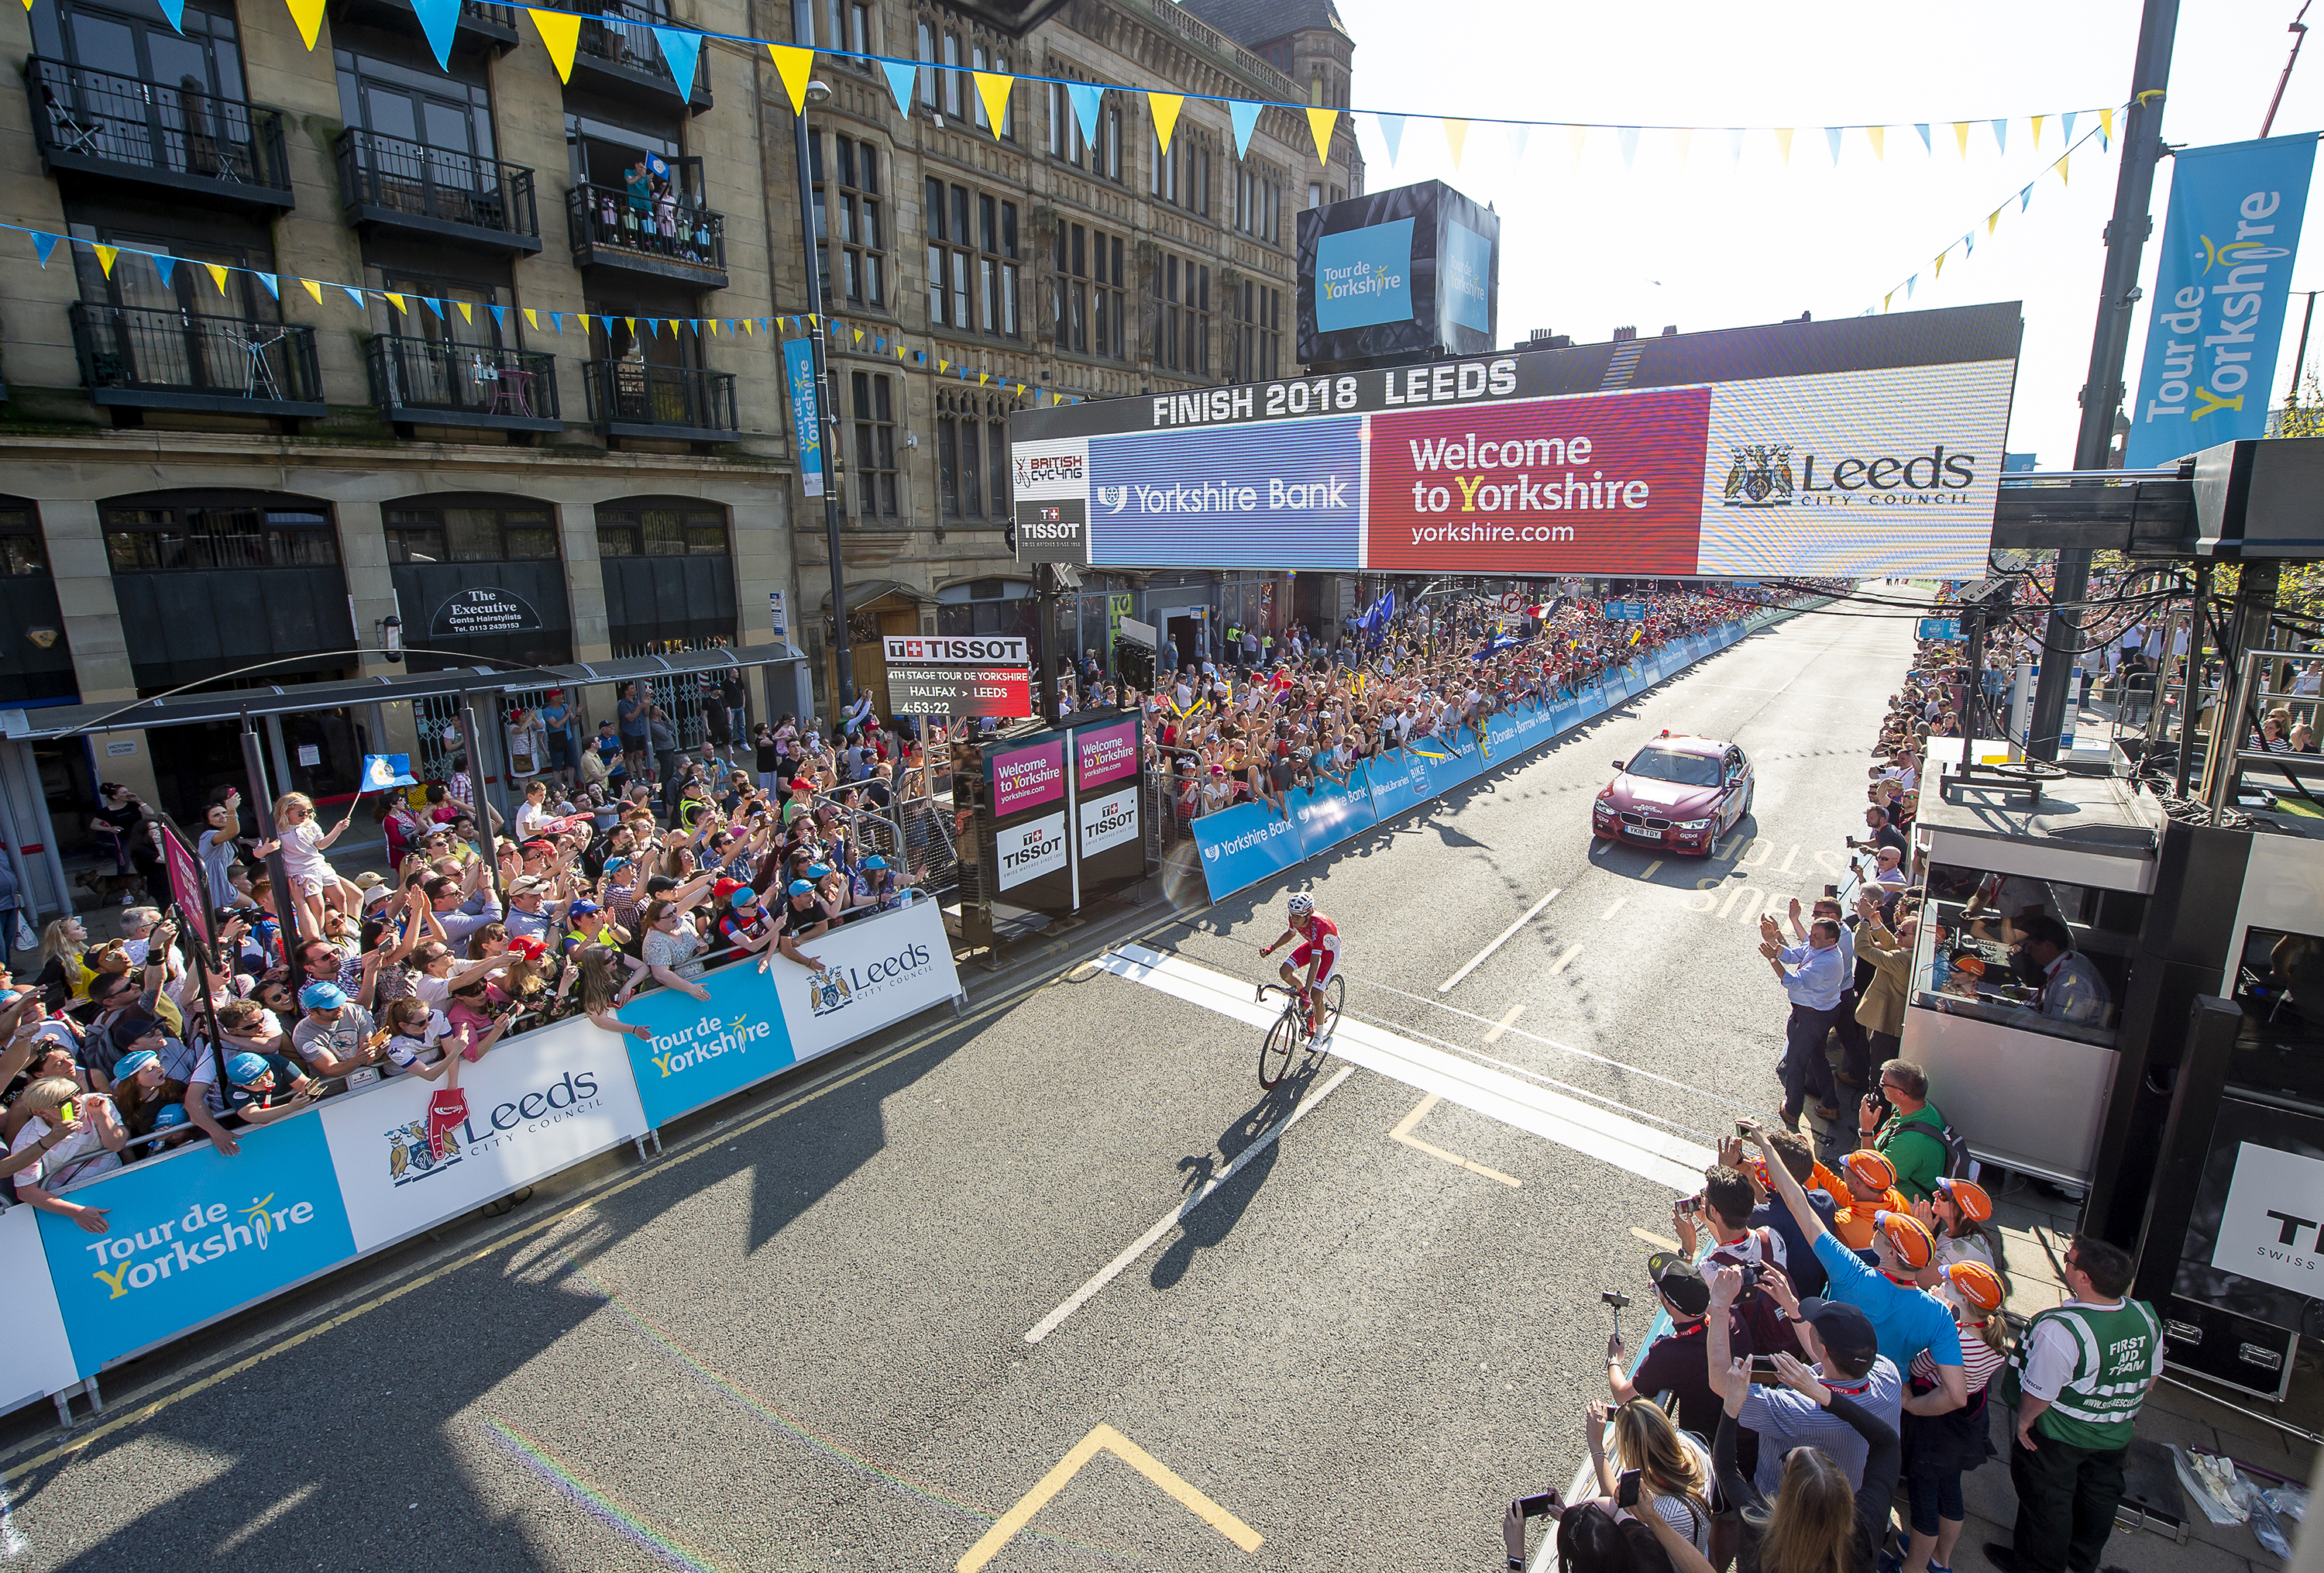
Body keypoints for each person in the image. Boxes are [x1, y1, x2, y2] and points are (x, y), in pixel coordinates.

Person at [1746, 1120, 1967, 1419]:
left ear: (1890, 1251)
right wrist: (1911, 1405)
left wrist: (1767, 1147)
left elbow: (1799, 1205)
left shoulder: (1850, 1271)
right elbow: (1957, 1396)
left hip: (1826, 1384)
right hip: (1882, 1405)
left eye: (1881, 1228)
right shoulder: (1938, 1314)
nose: (1876, 1226)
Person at [1632, 1339, 1900, 1573]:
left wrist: (1731, 1406)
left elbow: (1725, 1469)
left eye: (1787, 1462)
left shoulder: (1761, 1526)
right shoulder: (1866, 1525)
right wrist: (1822, 1394)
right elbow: (1887, 1441)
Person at [1986, 1237, 2164, 1573]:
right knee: (2099, 1499)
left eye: (2069, 1260)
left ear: (2084, 1279)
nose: (2065, 1262)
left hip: (2059, 1436)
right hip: (2114, 1434)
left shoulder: (2061, 1329)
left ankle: (2038, 1567)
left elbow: (2040, 1394)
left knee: (2047, 1506)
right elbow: (2150, 1379)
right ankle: (2081, 1563)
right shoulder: (2145, 1316)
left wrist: (2024, 1421)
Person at [1901, 1262, 2008, 1573]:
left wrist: (1936, 1317)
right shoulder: (1988, 1334)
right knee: (1950, 1490)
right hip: (1968, 1425)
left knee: (1923, 1499)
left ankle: (1913, 1567)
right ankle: (1941, 1560)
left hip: (1935, 1427)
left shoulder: (1952, 1339)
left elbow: (1917, 1367)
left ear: (1962, 1298)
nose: (1941, 1281)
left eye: (1949, 1282)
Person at [1585, 1396, 1714, 1559]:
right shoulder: (1694, 1445)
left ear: (1633, 1453)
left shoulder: (1661, 1513)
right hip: (1702, 1551)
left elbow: (1618, 1506)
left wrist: (1596, 1445)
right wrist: (1632, 1419)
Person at [1761, 917, 1847, 1129]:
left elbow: (1793, 982)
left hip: (1810, 1018)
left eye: (1817, 936)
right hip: (1822, 1013)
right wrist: (1774, 941)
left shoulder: (1826, 962)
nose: (1811, 938)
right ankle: (1831, 1105)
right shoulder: (1819, 948)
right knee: (1818, 1058)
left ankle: (1792, 1111)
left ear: (1832, 940)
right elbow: (1794, 954)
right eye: (1812, 933)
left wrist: (1773, 959)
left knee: (1796, 1064)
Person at [1855, 1060, 1950, 1203]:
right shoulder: (1921, 1109)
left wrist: (1867, 1130)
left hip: (1904, 1206)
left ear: (1901, 1094)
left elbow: (1876, 1178)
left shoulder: (1911, 1143)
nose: (1880, 1087)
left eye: (1883, 1084)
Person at [1257, 892, 1339, 1036]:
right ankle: (1304, 996)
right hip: (1313, 945)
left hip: (1329, 953)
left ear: (1309, 914)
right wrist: (1272, 948)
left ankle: (1319, 1036)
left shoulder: (1319, 926)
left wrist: (1307, 992)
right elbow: (1291, 933)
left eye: (1297, 917)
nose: (1293, 919)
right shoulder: (1295, 916)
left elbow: (1315, 964)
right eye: (1291, 915)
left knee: (1316, 994)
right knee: (1284, 971)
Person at [2013, 915, 2113, 1027]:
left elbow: (2057, 1028)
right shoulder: (2073, 959)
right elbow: (2063, 997)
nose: (2026, 951)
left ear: (2047, 946)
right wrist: (2029, 994)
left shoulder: (2071, 982)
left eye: (2030, 947)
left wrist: (2018, 1012)